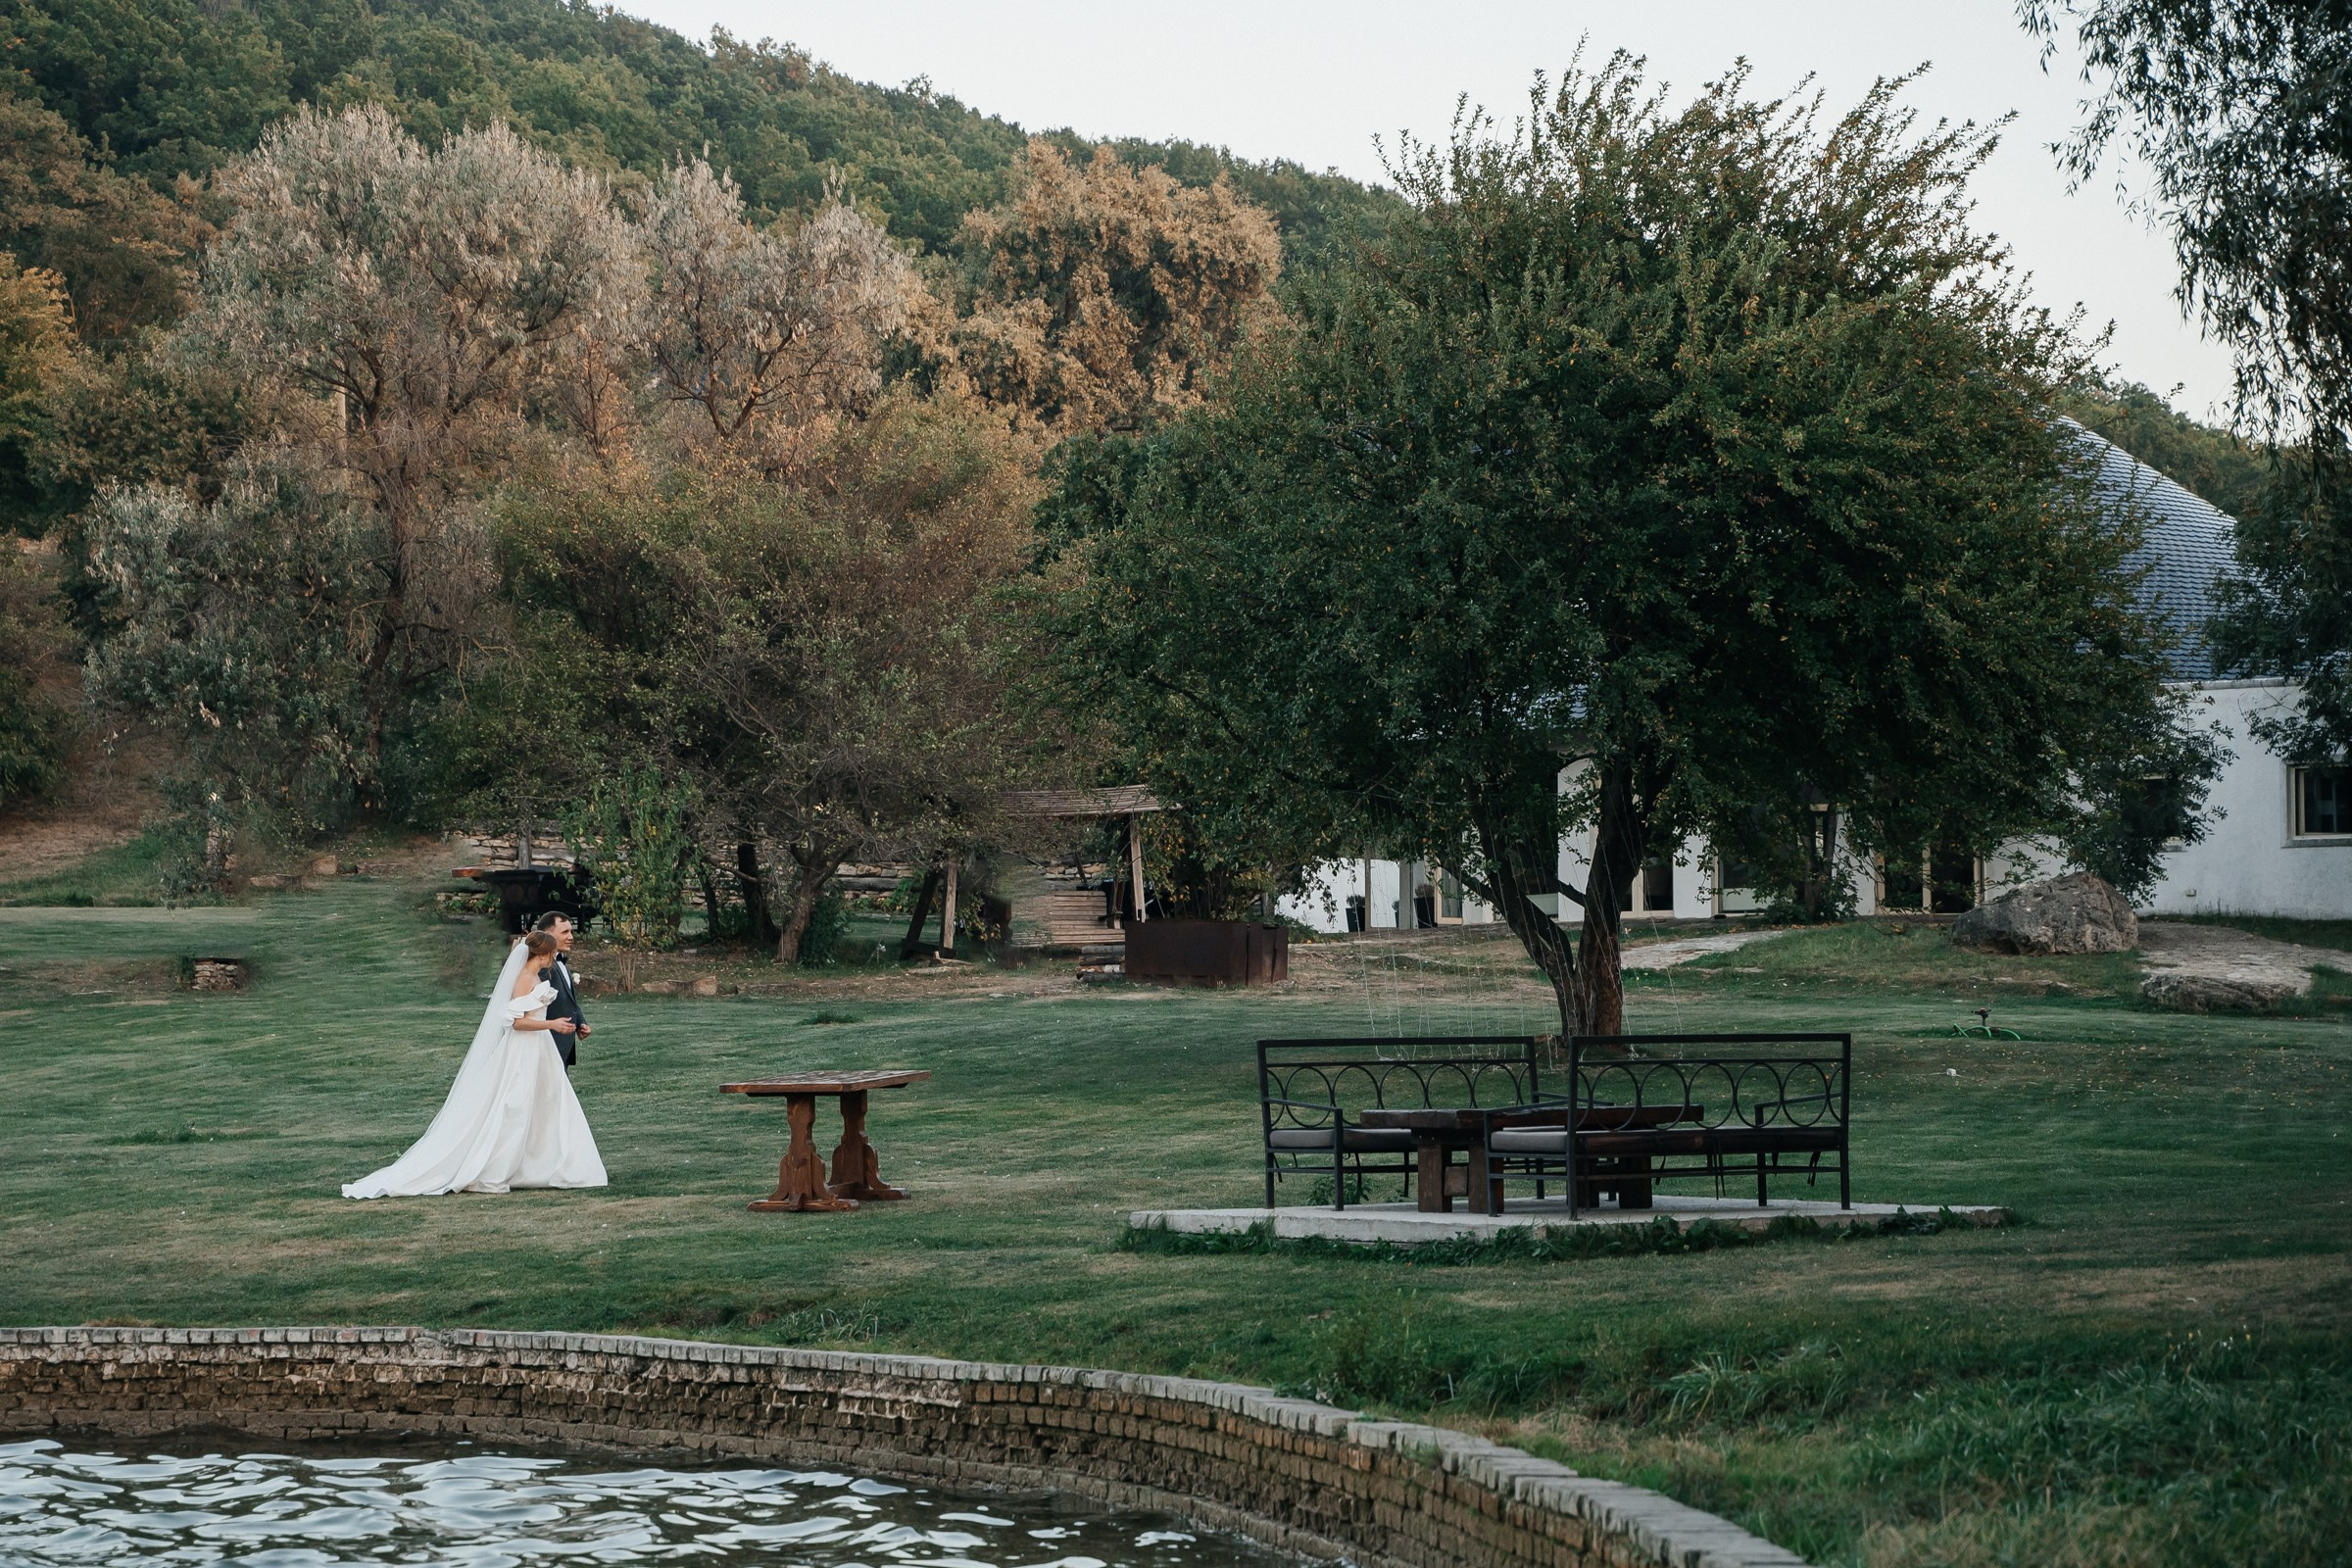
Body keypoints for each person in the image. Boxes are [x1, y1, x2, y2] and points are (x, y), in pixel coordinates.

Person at [341, 929, 608, 1199]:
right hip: (524, 1049)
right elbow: (516, 1022)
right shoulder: (525, 979)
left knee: (548, 1102)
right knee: (515, 1104)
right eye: (552, 953)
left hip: (541, 1049)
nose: (554, 957)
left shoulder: (537, 976)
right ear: (544, 953)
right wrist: (552, 1024)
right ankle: (496, 1168)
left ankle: (542, 1163)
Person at [533, 911, 589, 1070]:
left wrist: (580, 1023)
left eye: (571, 931)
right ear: (547, 935)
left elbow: (569, 1000)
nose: (571, 937)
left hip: (562, 1046)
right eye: (565, 932)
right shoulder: (542, 968)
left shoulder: (560, 962)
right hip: (546, 1046)